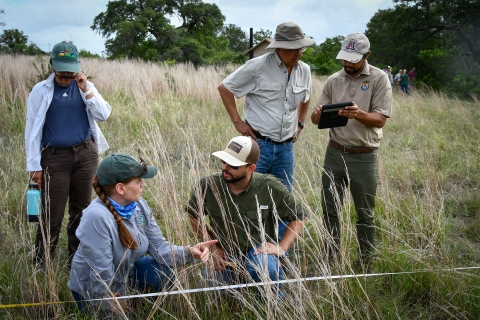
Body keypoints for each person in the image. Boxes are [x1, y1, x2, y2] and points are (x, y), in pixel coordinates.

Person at [68, 153, 217, 314]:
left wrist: (189, 252)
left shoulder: (139, 205)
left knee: (164, 272)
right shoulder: (96, 216)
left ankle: (140, 304)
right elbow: (99, 270)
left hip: (125, 273)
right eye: (138, 181)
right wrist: (108, 299)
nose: (143, 185)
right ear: (120, 188)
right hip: (94, 290)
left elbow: (160, 247)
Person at [310, 33, 392, 270]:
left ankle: (366, 259)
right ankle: (330, 255)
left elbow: (380, 119)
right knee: (330, 208)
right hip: (334, 152)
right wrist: (316, 115)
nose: (347, 64)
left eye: (353, 59)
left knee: (365, 212)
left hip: (364, 156)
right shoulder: (334, 80)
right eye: (345, 58)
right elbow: (317, 116)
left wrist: (358, 114)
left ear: (367, 55)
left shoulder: (379, 79)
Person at [25, 41, 112, 265]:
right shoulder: (40, 90)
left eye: (70, 71)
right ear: (52, 65)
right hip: (54, 157)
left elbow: (103, 114)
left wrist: (86, 89)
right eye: (61, 70)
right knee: (52, 213)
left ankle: (77, 260)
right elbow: (31, 128)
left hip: (85, 154)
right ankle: (42, 263)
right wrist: (34, 165)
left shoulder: (85, 86)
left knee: (82, 210)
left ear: (78, 67)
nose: (66, 75)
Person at [186, 136, 306, 297]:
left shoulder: (270, 187)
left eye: (233, 165)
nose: (225, 168)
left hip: (257, 253)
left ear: (250, 169)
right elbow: (193, 215)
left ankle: (272, 301)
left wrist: (281, 247)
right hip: (225, 254)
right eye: (224, 161)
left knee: (267, 269)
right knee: (210, 290)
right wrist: (213, 248)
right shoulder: (207, 185)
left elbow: (299, 217)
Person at [217, 21, 315, 193]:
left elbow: (306, 98)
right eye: (293, 49)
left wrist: (300, 124)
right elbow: (225, 88)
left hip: (286, 148)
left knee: (283, 198)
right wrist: (237, 122)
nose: (298, 53)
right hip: (258, 145)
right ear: (279, 48)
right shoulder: (257, 66)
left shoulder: (304, 70)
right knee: (248, 194)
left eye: (301, 48)